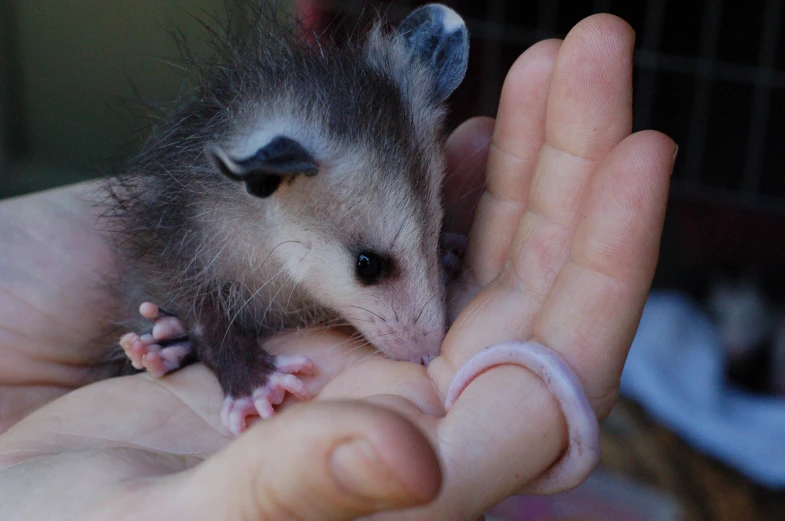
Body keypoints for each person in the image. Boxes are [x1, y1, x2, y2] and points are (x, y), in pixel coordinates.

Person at [0, 14, 675, 521]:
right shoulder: (218, 223)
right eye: (369, 264)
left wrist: (411, 253)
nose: (425, 331)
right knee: (165, 315)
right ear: (271, 180)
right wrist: (237, 368)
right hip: (174, 334)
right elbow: (175, 280)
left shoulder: (342, 187)